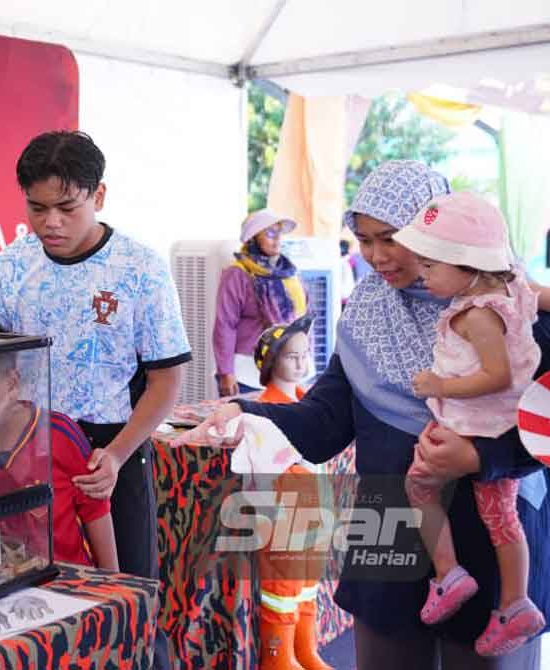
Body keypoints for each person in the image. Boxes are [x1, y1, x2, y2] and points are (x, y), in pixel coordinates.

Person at [176, 160, 550, 669]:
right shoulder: (366, 314)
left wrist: (478, 455)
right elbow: (324, 423)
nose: (377, 257)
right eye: (365, 239)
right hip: (389, 529)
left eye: (392, 237)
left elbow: (543, 426)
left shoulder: (517, 313)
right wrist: (245, 412)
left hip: (493, 543)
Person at [0, 130, 189, 669]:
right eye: (37, 208)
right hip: (31, 451)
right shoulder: (13, 265)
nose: (50, 222)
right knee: (37, 606)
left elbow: (167, 380)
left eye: (66, 207)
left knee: (130, 603)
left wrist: (119, 455)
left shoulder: (140, 268)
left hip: (109, 452)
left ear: (98, 197)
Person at [393, 192, 544, 656]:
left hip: (478, 427)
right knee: (500, 518)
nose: (422, 274)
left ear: (467, 266)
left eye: (431, 266)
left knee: (419, 488)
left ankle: (449, 575)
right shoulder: (511, 287)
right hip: (494, 426)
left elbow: (496, 375)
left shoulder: (476, 314)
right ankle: (514, 603)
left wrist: (438, 384)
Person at [0, 315, 120, 571]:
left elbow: (95, 510)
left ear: (11, 383)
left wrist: (113, 584)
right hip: (1, 583)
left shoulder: (59, 435)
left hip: (69, 582)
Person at [251, 313, 333, 670]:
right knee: (282, 589)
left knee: (307, 585)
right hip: (284, 513)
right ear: (271, 362)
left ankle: (305, 651)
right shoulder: (265, 410)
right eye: (291, 355)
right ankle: (278, 659)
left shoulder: (310, 406)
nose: (301, 363)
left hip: (312, 511)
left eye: (305, 354)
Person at [213, 210, 307, 396]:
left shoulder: (289, 272)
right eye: (270, 233)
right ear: (252, 239)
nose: (277, 239)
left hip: (289, 369)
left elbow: (302, 318)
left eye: (279, 233)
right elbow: (225, 325)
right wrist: (226, 372)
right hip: (248, 372)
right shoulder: (237, 274)